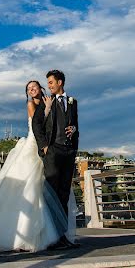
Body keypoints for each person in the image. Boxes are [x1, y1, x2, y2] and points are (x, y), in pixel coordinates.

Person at [0, 80, 76, 253]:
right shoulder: (31, 104)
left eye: (34, 87)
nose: (31, 90)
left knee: (47, 189)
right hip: (34, 146)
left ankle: (54, 235)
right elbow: (37, 124)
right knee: (30, 188)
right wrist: (48, 109)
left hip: (49, 146)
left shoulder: (49, 99)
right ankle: (25, 235)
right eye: (28, 89)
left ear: (41, 88)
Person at [32, 69, 79, 249]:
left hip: (68, 152)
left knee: (64, 195)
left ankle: (63, 237)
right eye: (48, 83)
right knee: (51, 194)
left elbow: (75, 124)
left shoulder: (73, 102)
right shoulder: (46, 101)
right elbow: (37, 124)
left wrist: (73, 129)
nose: (49, 86)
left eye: (51, 82)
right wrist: (44, 146)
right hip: (52, 151)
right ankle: (51, 238)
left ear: (60, 83)